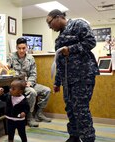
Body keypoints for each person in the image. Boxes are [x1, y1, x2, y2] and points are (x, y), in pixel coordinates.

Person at [46, 9, 100, 142]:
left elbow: (91, 42)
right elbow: (59, 62)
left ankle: (88, 139)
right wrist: (57, 82)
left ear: (58, 17)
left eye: (50, 23)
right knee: (70, 108)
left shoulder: (78, 24)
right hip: (67, 80)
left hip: (83, 76)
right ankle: (74, 136)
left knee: (81, 110)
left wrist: (70, 49)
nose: (50, 27)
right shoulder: (58, 39)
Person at [7, 37, 52, 127]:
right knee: (32, 92)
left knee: (47, 90)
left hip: (28, 83)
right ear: (16, 47)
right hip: (17, 86)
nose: (21, 50)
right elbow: (7, 71)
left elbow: (33, 74)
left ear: (27, 47)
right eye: (19, 48)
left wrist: (30, 83)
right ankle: (29, 117)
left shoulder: (30, 58)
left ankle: (39, 114)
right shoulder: (11, 57)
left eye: (23, 48)